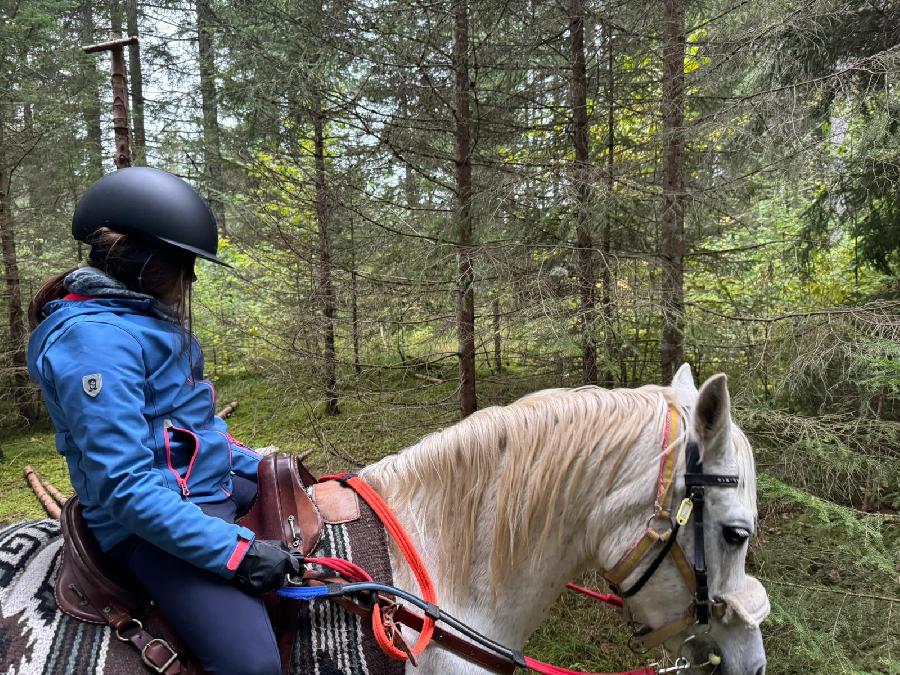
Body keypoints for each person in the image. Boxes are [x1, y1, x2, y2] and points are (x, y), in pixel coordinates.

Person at [26, 167, 299, 675]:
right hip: (147, 525)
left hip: (201, 487)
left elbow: (193, 431)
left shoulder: (142, 324)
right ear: (149, 261)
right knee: (252, 664)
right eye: (186, 264)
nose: (191, 279)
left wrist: (257, 461)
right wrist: (236, 553)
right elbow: (126, 488)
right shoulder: (93, 345)